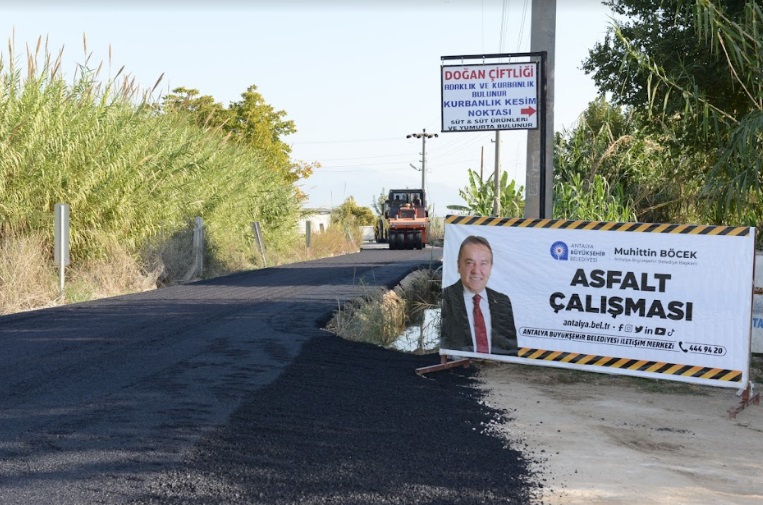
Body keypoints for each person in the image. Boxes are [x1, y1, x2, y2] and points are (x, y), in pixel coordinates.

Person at [441, 235, 518, 355]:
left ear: (491, 267)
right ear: (458, 266)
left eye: (483, 263)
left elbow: (511, 349)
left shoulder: (503, 301)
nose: (476, 270)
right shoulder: (445, 298)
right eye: (469, 263)